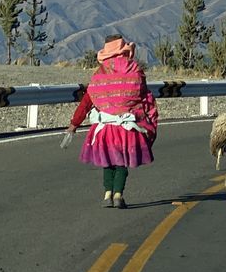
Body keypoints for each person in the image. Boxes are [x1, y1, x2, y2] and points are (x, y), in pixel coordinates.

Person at [67, 34, 158, 208]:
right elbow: (146, 100)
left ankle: (107, 194)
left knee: (107, 161)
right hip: (127, 129)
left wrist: (74, 124)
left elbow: (88, 100)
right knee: (121, 161)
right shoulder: (135, 70)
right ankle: (118, 194)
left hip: (105, 128)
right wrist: (148, 124)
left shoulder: (100, 73)